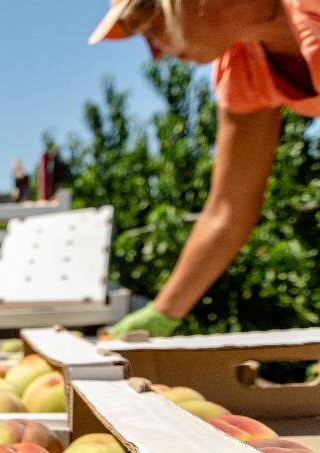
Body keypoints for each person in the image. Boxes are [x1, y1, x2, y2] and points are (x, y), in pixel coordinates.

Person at [91, 0, 320, 337]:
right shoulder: (244, 67)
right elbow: (227, 212)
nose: (154, 53)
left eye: (151, 25)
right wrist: (161, 314)